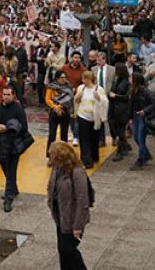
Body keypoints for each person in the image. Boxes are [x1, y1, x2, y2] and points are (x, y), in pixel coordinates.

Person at [46, 141, 90, 270]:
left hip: (72, 219)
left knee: (69, 250)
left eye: (53, 156)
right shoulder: (57, 168)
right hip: (60, 217)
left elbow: (83, 201)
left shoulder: (77, 173)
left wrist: (77, 227)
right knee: (62, 250)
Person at [0, 87, 26, 212]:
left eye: (9, 94)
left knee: (11, 169)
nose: (6, 97)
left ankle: (8, 198)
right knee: (4, 166)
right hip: (0, 143)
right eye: (4, 94)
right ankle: (13, 188)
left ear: (14, 95)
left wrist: (10, 128)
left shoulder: (18, 109)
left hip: (13, 145)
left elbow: (24, 127)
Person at [73, 72, 105, 169]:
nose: (83, 81)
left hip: (95, 117)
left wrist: (99, 98)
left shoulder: (99, 89)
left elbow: (104, 102)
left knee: (94, 139)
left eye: (84, 79)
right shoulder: (81, 88)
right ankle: (87, 162)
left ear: (89, 79)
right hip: (83, 116)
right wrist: (78, 97)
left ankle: (94, 157)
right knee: (84, 140)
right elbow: (76, 100)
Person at [128, 73, 155, 170]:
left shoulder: (144, 91)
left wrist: (144, 111)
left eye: (131, 78)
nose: (129, 79)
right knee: (136, 137)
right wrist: (130, 118)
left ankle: (141, 159)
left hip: (142, 117)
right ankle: (146, 154)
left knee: (140, 138)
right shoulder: (133, 90)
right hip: (135, 116)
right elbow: (131, 105)